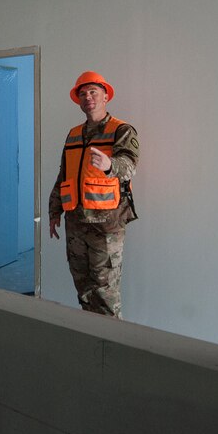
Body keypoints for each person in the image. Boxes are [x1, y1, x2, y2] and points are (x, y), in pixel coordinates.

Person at [48, 71, 139, 317]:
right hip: (76, 223)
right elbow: (64, 175)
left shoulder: (122, 129)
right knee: (84, 290)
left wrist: (110, 164)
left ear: (105, 96)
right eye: (83, 93)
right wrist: (54, 210)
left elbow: (129, 165)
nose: (87, 97)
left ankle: (112, 347)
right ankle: (91, 341)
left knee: (106, 292)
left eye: (93, 92)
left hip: (106, 226)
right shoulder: (74, 134)